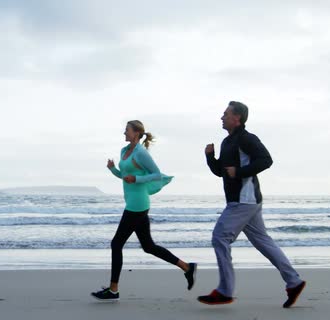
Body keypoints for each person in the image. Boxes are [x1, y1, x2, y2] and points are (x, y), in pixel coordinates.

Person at [198, 101, 306, 308]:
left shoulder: (247, 139)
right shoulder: (227, 142)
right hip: (244, 200)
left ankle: (224, 291)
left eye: (225, 114)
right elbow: (221, 171)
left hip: (244, 199)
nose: (222, 117)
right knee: (262, 241)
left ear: (236, 117)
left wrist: (239, 172)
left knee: (220, 237)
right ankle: (294, 282)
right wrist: (210, 157)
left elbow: (266, 160)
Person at [91, 120, 197, 301]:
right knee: (148, 246)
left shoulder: (141, 153)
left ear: (136, 133)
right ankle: (187, 267)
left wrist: (138, 180)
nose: (124, 132)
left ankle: (113, 290)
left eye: (127, 130)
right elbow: (125, 177)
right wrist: (113, 170)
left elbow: (156, 174)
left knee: (116, 244)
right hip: (133, 203)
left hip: (137, 204)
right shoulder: (125, 151)